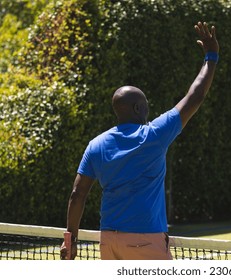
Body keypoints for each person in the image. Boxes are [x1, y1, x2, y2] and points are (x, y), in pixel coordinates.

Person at [60, 21, 219, 260]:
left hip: (109, 241)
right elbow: (195, 96)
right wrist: (211, 55)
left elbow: (77, 194)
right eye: (145, 105)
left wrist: (70, 240)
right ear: (138, 108)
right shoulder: (154, 134)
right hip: (145, 240)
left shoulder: (96, 145)